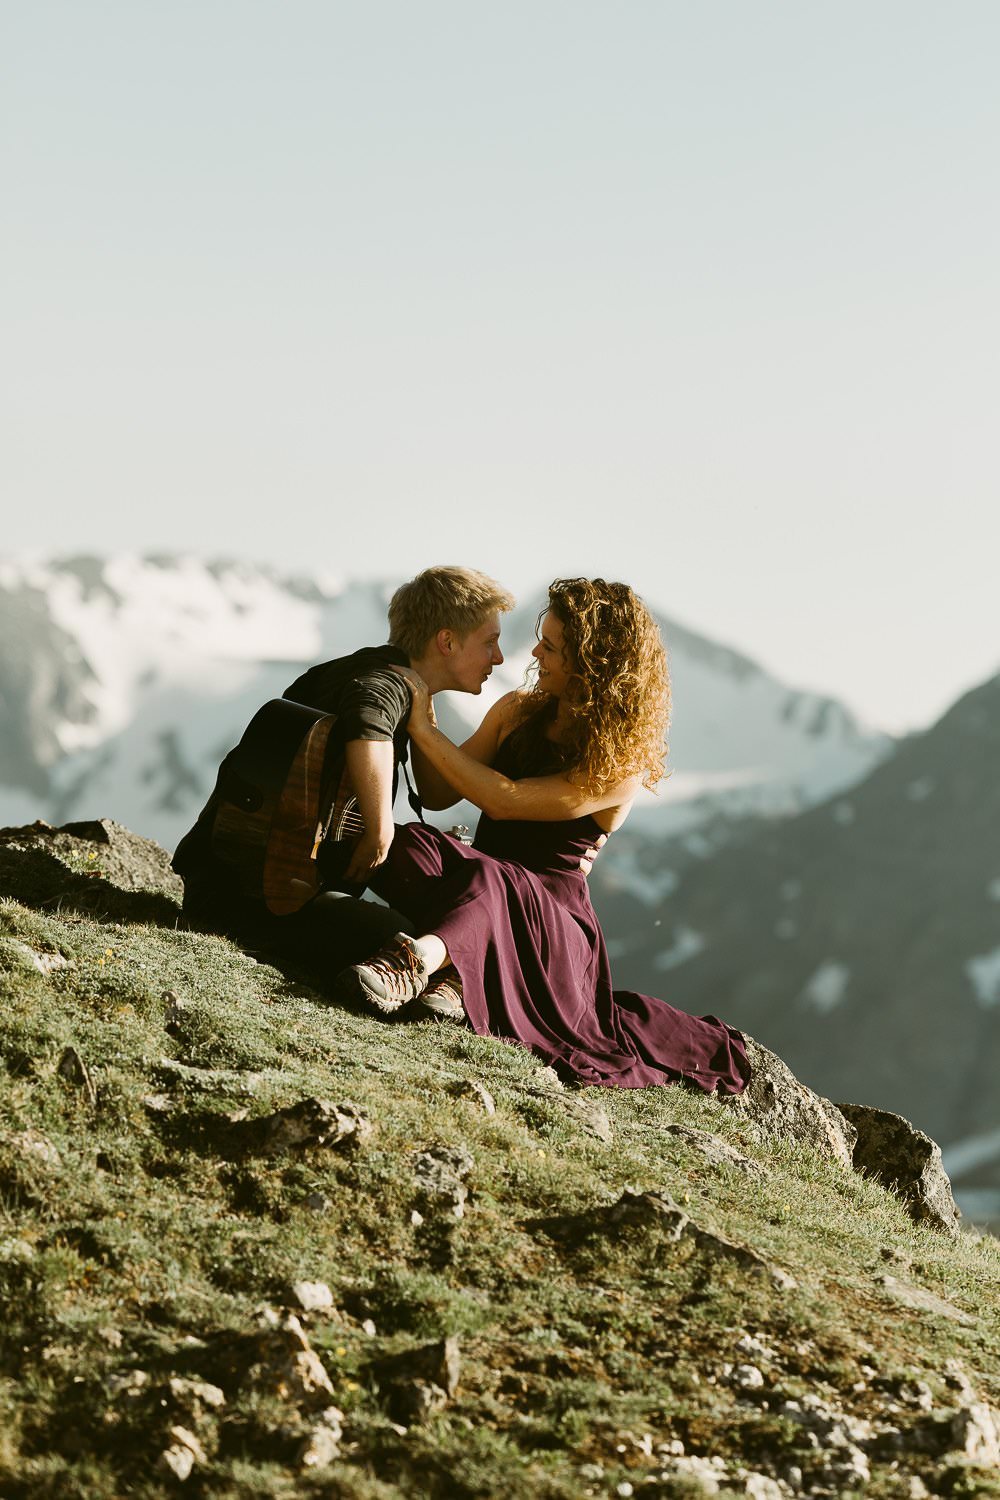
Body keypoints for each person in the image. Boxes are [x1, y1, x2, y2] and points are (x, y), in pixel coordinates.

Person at [340, 577, 750, 1095]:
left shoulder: (621, 760)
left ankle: (414, 964)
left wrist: (424, 730)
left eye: (552, 646)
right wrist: (424, 702)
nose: (534, 651)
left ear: (592, 662)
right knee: (409, 843)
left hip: (554, 923)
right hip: (481, 884)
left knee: (493, 878)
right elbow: (440, 789)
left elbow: (505, 800)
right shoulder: (517, 711)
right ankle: (460, 974)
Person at [172, 565, 514, 976]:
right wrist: (380, 829)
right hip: (252, 903)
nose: (498, 657)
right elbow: (369, 715)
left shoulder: (360, 671)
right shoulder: (386, 683)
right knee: (409, 945)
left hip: (234, 884)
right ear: (447, 642)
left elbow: (436, 795)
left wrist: (425, 725)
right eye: (489, 642)